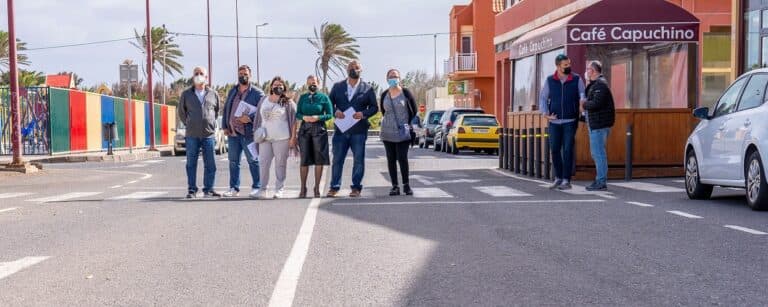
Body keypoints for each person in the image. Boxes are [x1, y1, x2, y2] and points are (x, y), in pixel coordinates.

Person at [327, 60, 379, 198]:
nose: (353, 69)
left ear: (361, 70)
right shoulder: (337, 87)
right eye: (351, 67)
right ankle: (334, 187)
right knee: (337, 160)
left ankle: (356, 188)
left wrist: (363, 114)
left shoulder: (367, 88)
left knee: (358, 160)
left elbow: (374, 107)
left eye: (356, 68)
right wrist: (335, 111)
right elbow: (329, 103)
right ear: (346, 69)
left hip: (359, 131)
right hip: (341, 131)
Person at [538, 54, 586, 190]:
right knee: (554, 149)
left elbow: (583, 96)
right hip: (554, 122)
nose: (568, 66)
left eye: (569, 64)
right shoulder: (550, 80)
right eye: (565, 65)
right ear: (558, 66)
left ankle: (566, 180)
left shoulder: (576, 79)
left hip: (570, 120)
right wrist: (545, 114)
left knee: (567, 149)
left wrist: (583, 111)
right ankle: (558, 177)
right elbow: (543, 98)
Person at [221, 65, 265, 198]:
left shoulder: (257, 93)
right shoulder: (233, 91)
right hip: (233, 133)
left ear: (250, 75)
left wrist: (250, 118)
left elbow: (263, 111)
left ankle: (257, 187)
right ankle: (234, 188)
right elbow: (226, 108)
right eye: (240, 74)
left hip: (248, 134)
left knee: (253, 161)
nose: (243, 76)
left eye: (245, 74)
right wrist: (225, 126)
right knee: (233, 161)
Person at [177, 66, 221, 198]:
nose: (199, 75)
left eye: (201, 73)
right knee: (191, 163)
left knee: (210, 163)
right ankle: (192, 190)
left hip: (208, 134)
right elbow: (181, 112)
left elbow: (216, 111)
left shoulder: (213, 94)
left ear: (206, 77)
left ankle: (209, 189)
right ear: (193, 76)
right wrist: (189, 123)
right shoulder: (186, 94)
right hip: (192, 135)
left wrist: (210, 123)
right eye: (196, 73)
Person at [252, 76, 298, 199]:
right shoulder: (263, 100)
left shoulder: (288, 102)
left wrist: (293, 138)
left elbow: (294, 121)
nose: (278, 87)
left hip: (282, 138)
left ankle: (279, 189)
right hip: (265, 139)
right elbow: (258, 118)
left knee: (280, 164)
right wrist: (256, 132)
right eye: (275, 85)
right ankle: (263, 189)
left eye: (280, 85)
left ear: (284, 87)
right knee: (263, 164)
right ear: (271, 87)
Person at [379, 69, 418, 196]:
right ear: (387, 79)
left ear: (399, 78)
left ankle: (406, 185)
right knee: (391, 159)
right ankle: (395, 186)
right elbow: (383, 111)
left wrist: (406, 122)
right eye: (391, 76)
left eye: (395, 76)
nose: (393, 78)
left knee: (402, 158)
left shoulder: (405, 93)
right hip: (387, 132)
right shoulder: (384, 94)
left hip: (403, 132)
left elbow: (414, 110)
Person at [296, 75, 333, 198]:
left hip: (319, 130)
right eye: (310, 82)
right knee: (304, 159)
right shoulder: (303, 97)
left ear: (318, 83)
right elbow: (298, 113)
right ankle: (303, 188)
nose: (312, 84)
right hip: (305, 130)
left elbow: (330, 114)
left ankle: (317, 188)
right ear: (307, 84)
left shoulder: (324, 97)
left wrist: (318, 117)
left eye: (314, 82)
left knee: (319, 160)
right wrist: (303, 117)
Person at [582, 61, 615, 191]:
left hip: (599, 125)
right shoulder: (595, 85)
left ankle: (601, 181)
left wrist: (583, 104)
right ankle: (600, 180)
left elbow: (596, 103)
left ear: (594, 71)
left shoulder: (600, 85)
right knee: (597, 153)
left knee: (598, 154)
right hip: (596, 124)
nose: (586, 72)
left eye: (588, 69)